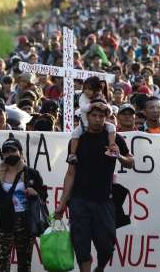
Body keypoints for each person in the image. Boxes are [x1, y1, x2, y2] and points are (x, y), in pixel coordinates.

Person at [54, 101, 134, 272]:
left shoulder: (114, 138)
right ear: (87, 117)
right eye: (94, 116)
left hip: (104, 201)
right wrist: (62, 202)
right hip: (79, 201)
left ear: (106, 118)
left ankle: (100, 268)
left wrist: (118, 155)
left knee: (106, 246)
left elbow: (130, 162)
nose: (97, 119)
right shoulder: (77, 140)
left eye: (101, 116)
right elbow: (70, 173)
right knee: (82, 248)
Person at [0, 137, 47, 272]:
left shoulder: (32, 174)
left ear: (20, 152)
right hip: (4, 222)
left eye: (13, 150)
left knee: (24, 262)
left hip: (26, 222)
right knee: (2, 261)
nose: (10, 154)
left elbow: (43, 196)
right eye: (6, 151)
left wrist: (35, 193)